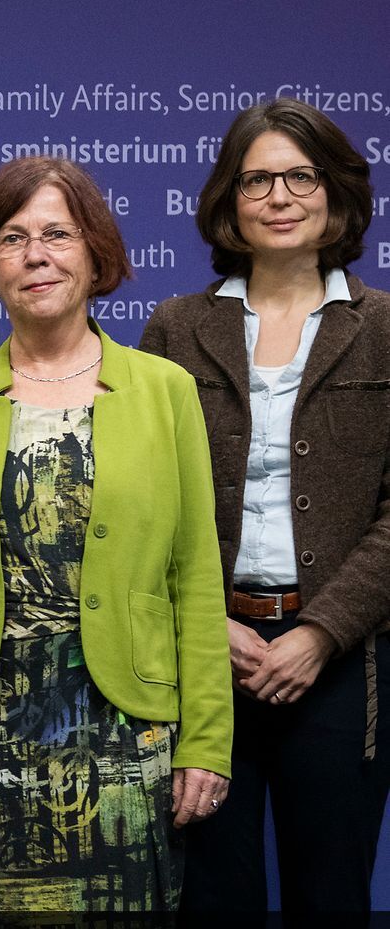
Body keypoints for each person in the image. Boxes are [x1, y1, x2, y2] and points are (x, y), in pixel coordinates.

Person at [0, 156, 232, 913]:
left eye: (56, 234)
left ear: (96, 252)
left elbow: (196, 577)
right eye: (11, 238)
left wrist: (206, 741)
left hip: (127, 742)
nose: (35, 254)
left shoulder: (165, 390)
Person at [139, 98, 390, 916]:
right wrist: (205, 622)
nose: (279, 196)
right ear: (228, 202)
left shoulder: (386, 327)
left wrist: (321, 633)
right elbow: (143, 500)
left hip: (343, 660)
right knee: (211, 896)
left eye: (300, 176)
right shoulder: (176, 329)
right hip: (207, 654)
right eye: (257, 180)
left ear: (338, 196)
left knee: (331, 896)